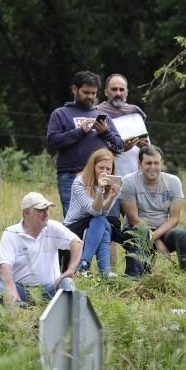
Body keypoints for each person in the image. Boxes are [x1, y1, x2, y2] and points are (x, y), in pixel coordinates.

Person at [0, 192, 82, 306]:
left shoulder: (53, 227)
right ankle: (17, 304)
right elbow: (5, 266)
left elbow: (77, 242)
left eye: (47, 209)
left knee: (68, 282)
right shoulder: (11, 233)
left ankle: (65, 309)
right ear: (26, 213)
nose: (46, 213)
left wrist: (70, 270)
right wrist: (11, 290)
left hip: (50, 289)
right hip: (20, 289)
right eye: (41, 210)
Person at [46, 71, 123, 216]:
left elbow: (119, 147)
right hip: (70, 176)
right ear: (75, 89)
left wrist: (106, 133)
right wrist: (79, 131)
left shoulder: (102, 117)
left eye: (93, 93)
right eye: (86, 92)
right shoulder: (60, 113)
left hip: (101, 177)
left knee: (107, 220)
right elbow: (52, 142)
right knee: (74, 221)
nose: (90, 97)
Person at [119, 145, 186, 277]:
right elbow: (133, 218)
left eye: (156, 163)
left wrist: (155, 236)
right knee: (140, 232)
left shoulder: (173, 182)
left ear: (162, 163)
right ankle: (134, 279)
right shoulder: (128, 182)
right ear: (139, 164)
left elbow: (174, 219)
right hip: (135, 229)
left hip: (163, 231)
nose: (152, 167)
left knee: (182, 234)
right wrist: (156, 242)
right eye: (148, 163)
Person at [63, 149, 123, 275]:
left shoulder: (111, 184)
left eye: (108, 169)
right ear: (93, 166)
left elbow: (103, 213)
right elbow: (94, 211)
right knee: (102, 225)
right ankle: (89, 265)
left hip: (95, 223)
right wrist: (100, 190)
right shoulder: (79, 182)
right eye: (101, 168)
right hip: (74, 225)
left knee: (101, 224)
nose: (105, 172)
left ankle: (91, 267)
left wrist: (112, 196)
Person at [96, 73, 150, 179]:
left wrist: (144, 147)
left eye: (121, 89)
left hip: (135, 177)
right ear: (106, 92)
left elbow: (148, 149)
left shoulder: (135, 114)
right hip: (107, 177)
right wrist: (120, 146)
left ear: (127, 92)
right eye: (114, 89)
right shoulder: (97, 114)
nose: (118, 93)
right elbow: (93, 149)